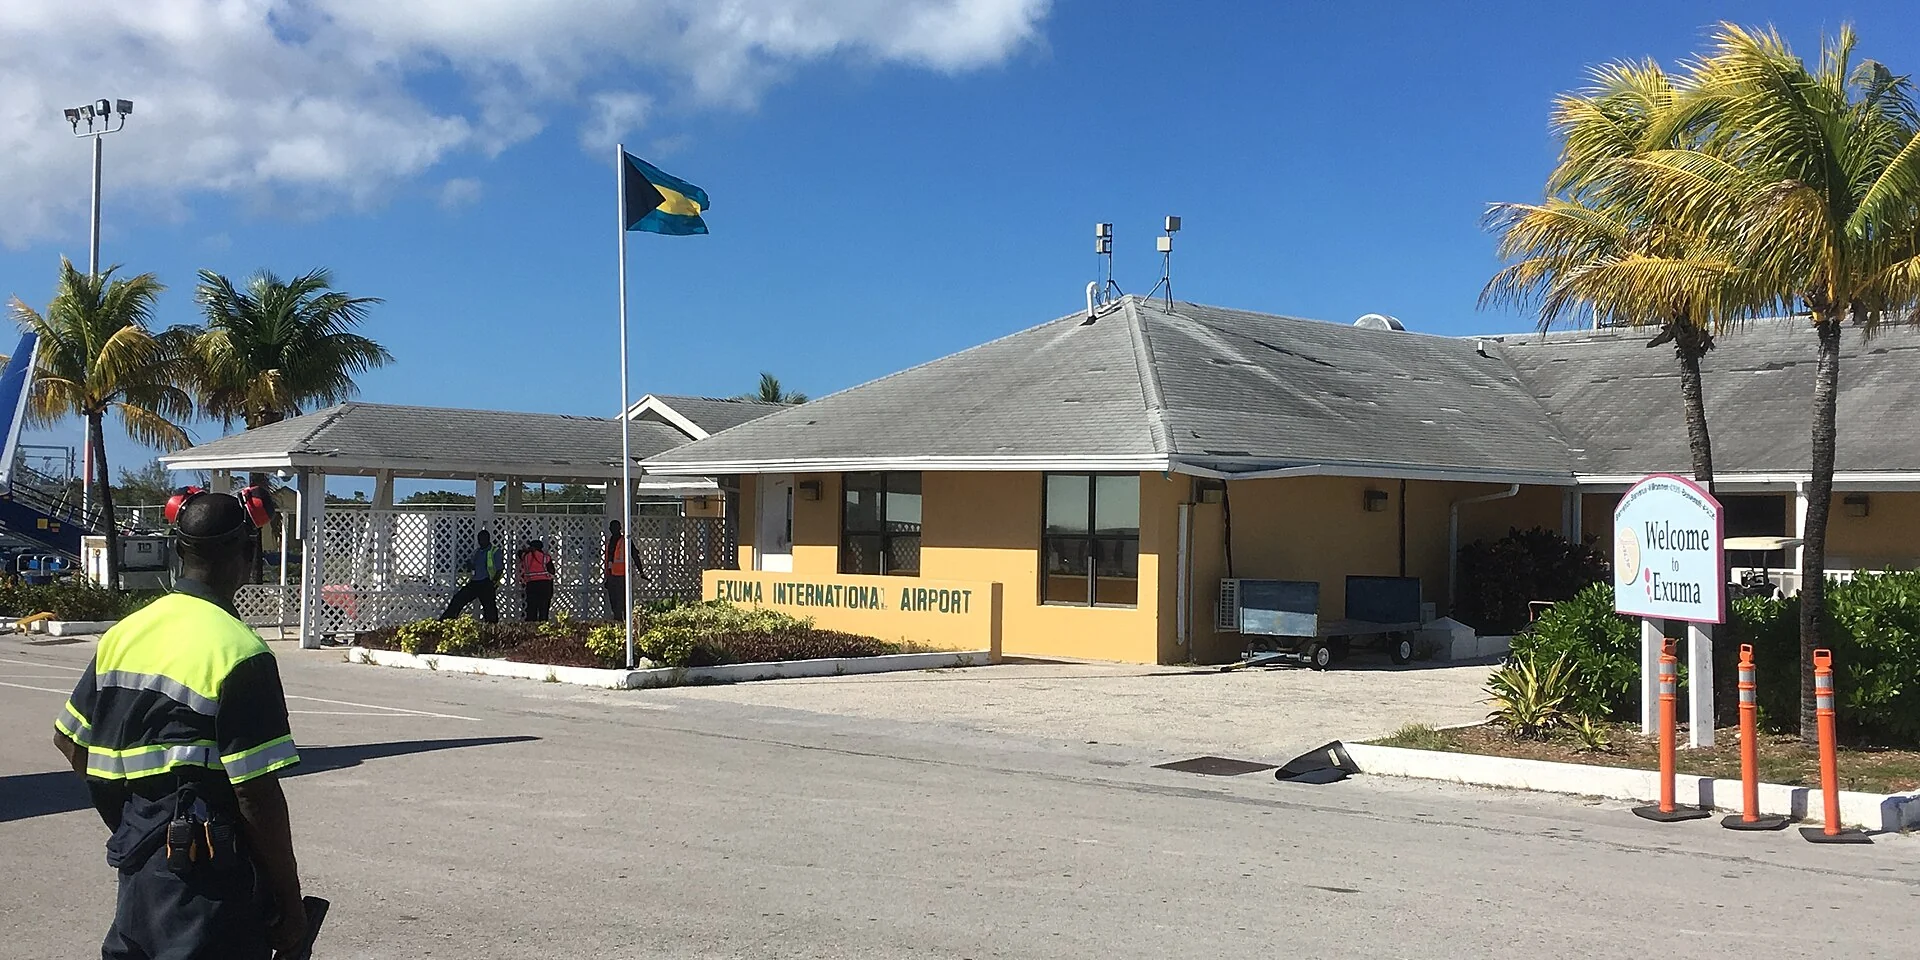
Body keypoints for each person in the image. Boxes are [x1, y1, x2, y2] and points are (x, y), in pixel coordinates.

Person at [53, 489, 307, 959]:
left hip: (139, 870)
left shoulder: (124, 635)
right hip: (209, 886)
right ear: (248, 554)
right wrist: (289, 899)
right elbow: (255, 793)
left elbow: (70, 741)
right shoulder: (240, 652)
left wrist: (131, 821)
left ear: (177, 549)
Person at [441, 529, 502, 623]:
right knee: (458, 599)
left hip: (486, 582)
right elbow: (472, 567)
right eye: (479, 539)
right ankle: (446, 620)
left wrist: (493, 582)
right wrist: (469, 565)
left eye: (483, 539)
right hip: (475, 582)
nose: (481, 541)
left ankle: (492, 628)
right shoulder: (476, 552)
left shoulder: (494, 551)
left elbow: (499, 569)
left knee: (489, 608)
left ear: (488, 539)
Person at [603, 520, 641, 620]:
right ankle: (617, 620)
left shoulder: (626, 541)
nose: (612, 529)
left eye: (615, 527)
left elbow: (635, 556)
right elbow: (608, 560)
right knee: (613, 600)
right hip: (612, 576)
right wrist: (607, 576)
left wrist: (641, 571)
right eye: (611, 527)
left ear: (619, 528)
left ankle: (624, 621)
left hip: (623, 575)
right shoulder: (609, 541)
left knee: (621, 601)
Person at [518, 538, 555, 622]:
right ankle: (543, 627)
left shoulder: (526, 556)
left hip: (531, 585)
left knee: (531, 608)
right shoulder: (545, 557)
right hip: (545, 585)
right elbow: (552, 571)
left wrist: (527, 550)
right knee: (544, 609)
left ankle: (531, 628)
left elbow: (519, 553)